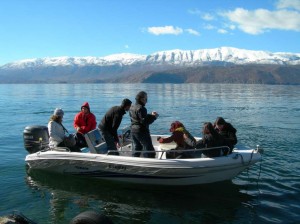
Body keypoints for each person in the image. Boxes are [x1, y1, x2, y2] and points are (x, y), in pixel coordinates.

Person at [129, 91, 159, 158]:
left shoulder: (131, 107)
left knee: (137, 147)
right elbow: (144, 121)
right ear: (142, 99)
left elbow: (136, 118)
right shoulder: (142, 108)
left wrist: (150, 115)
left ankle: (134, 161)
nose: (146, 101)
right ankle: (150, 163)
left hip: (133, 130)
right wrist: (154, 117)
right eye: (146, 99)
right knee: (149, 149)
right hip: (141, 131)